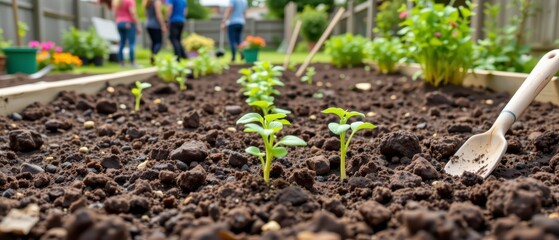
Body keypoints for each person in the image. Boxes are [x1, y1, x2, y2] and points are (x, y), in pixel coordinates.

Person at [113, 0, 141, 67]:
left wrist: (118, 21)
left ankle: (121, 62)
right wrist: (137, 25)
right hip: (128, 23)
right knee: (131, 43)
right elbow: (133, 13)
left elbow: (115, 13)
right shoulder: (130, 1)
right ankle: (132, 62)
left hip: (119, 23)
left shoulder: (116, 1)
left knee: (122, 43)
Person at [143, 0, 167, 65]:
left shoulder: (147, 2)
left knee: (154, 43)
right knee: (159, 43)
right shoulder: (157, 2)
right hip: (156, 25)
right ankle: (153, 56)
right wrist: (163, 25)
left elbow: (146, 14)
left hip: (148, 24)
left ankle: (152, 58)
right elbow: (158, 14)